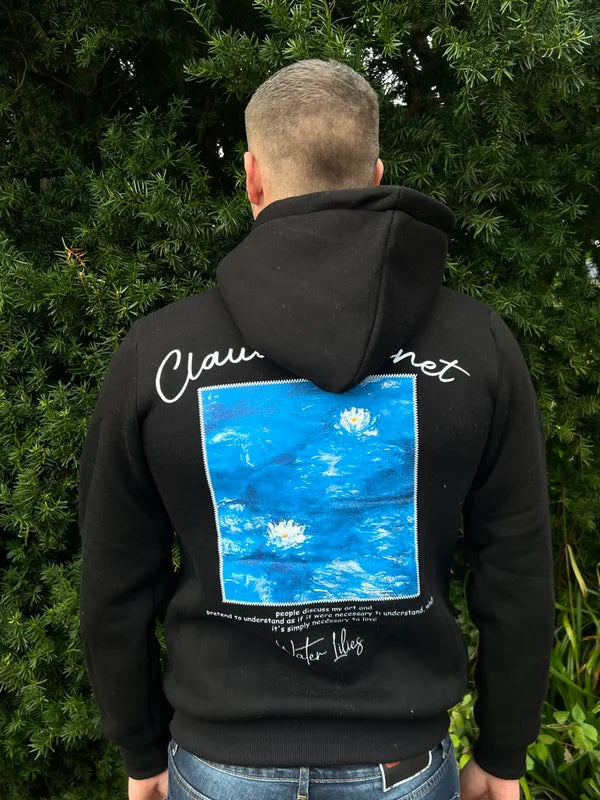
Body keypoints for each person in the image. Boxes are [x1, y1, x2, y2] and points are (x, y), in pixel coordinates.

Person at [79, 59, 555, 800]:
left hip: (219, 767)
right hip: (400, 767)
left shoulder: (158, 354)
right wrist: (503, 751)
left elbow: (114, 579)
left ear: (252, 178)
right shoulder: (477, 345)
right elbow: (517, 568)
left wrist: (141, 753)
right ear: (376, 174)